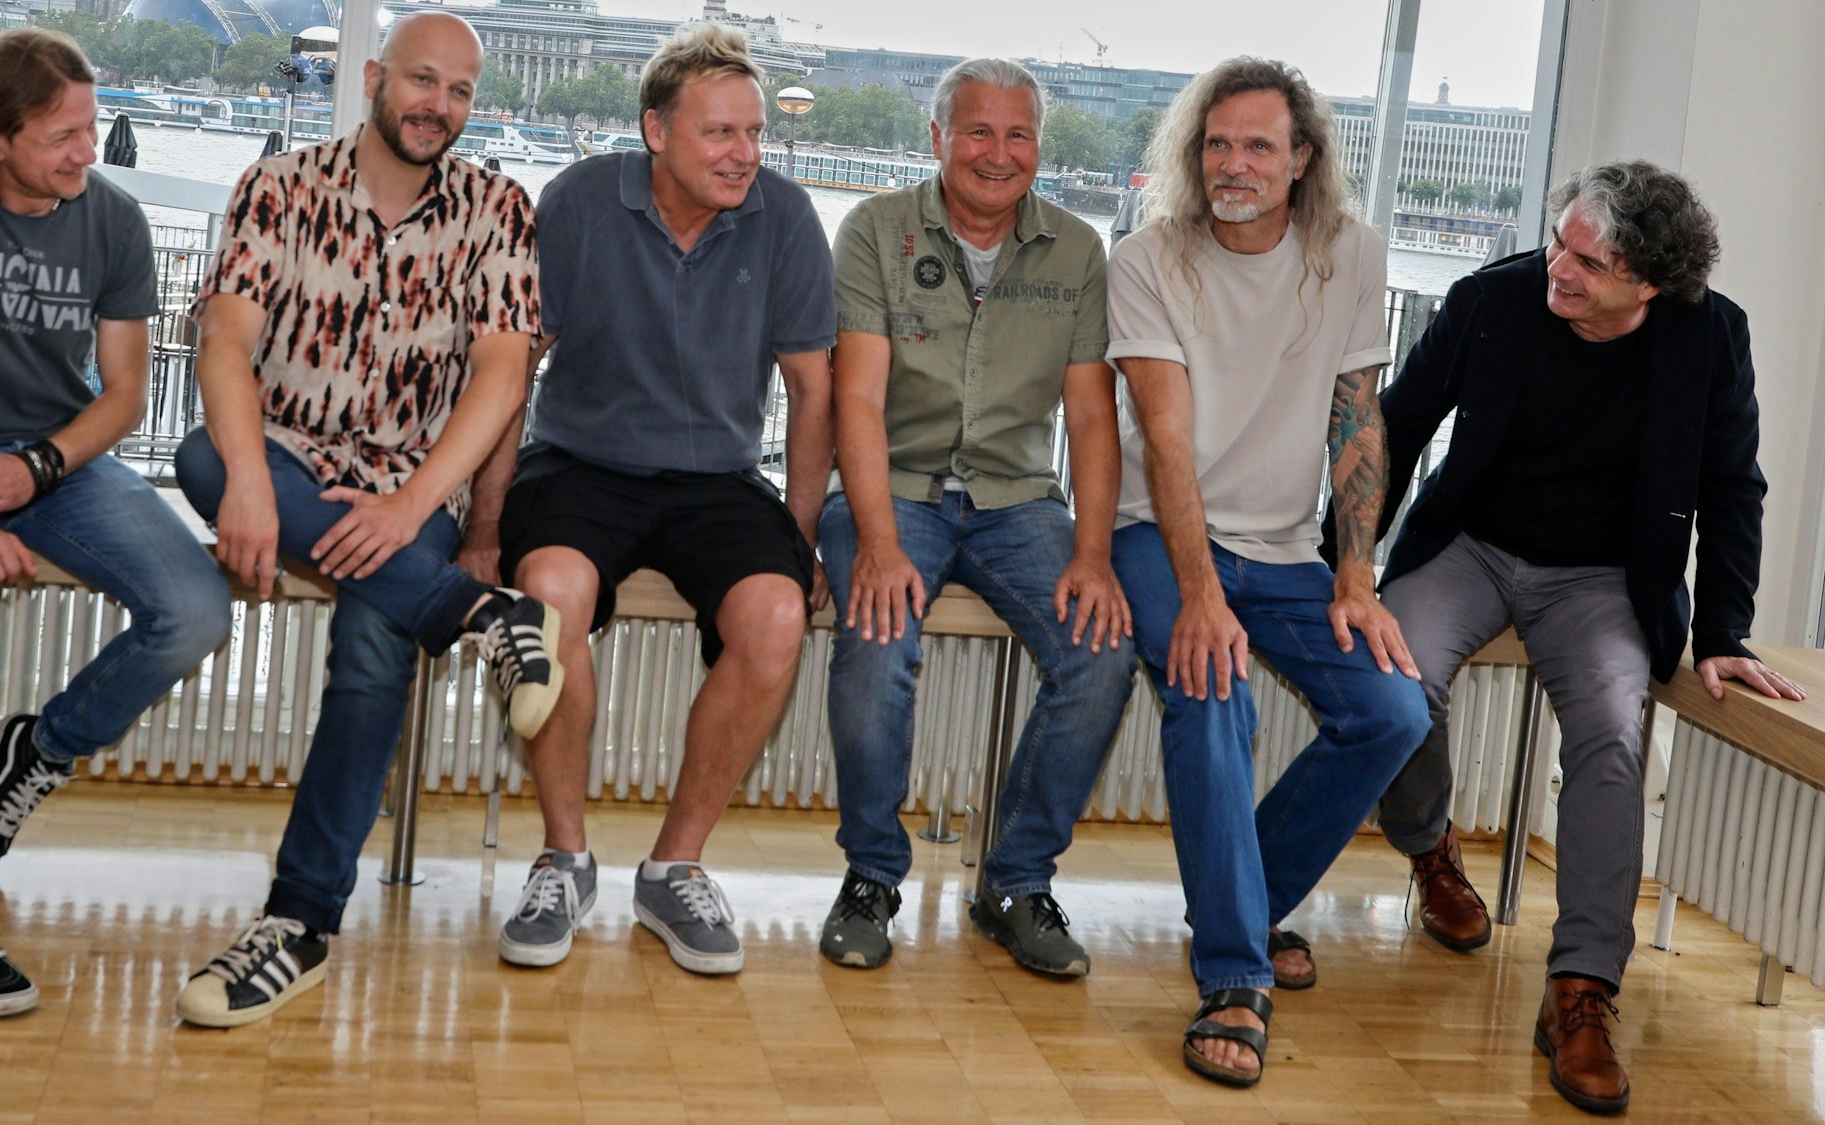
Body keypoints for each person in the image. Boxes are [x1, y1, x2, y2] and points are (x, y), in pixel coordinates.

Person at [1362, 161, 1800, 1114]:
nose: (1556, 266)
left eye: (1585, 261)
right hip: (1472, 545)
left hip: (1604, 577)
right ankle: (1430, 846)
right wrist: (1346, 569)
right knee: (1398, 679)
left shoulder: (1710, 334)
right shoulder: (1492, 299)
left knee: (1610, 733)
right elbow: (1394, 428)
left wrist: (1726, 626)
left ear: (1649, 282)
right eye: (1559, 241)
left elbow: (1734, 485)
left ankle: (1581, 989)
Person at [171, 11, 561, 1027]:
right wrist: (253, 486)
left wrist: (411, 506)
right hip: (287, 461)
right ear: (377, 79)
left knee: (373, 636)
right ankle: (480, 620)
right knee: (203, 456)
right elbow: (225, 341)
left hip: (409, 479)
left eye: (461, 91)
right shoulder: (282, 186)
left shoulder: (497, 208)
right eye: (423, 81)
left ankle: (297, 922)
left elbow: (502, 371)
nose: (439, 106)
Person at [0, 28, 231, 1017]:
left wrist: (37, 468)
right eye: (61, 135)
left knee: (197, 610)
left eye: (90, 127)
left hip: (54, 464)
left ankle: (45, 750)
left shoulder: (109, 221)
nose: (84, 150)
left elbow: (120, 396)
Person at [476, 23, 834, 976]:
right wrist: (483, 520)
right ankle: (565, 857)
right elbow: (513, 369)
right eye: (720, 133)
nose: (744, 154)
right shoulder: (581, 201)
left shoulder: (787, 217)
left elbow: (814, 390)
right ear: (657, 131)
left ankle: (674, 867)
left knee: (774, 613)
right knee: (549, 597)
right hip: (579, 463)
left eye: (754, 133)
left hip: (716, 479)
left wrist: (799, 535)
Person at [1107, 57, 1431, 1086]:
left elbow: (1356, 423)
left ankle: (1238, 896)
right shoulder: (1149, 257)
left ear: (1300, 160)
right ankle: (1235, 973)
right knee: (1210, 692)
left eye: (1256, 145)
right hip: (1160, 537)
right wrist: (1199, 598)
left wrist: (1354, 575)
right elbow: (1163, 445)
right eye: (1215, 144)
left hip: (1289, 549)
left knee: (1392, 712)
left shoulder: (1348, 253)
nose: (1231, 164)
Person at [818, 58, 1135, 976]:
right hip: (897, 489)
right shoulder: (875, 229)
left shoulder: (1077, 250)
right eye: (979, 132)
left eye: (1019, 134)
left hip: (1017, 501)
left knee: (1103, 651)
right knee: (878, 642)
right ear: (939, 140)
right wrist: (875, 543)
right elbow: (859, 402)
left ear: (1041, 146)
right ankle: (872, 875)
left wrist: (1093, 554)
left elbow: (1089, 417)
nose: (999, 154)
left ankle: (1015, 881)